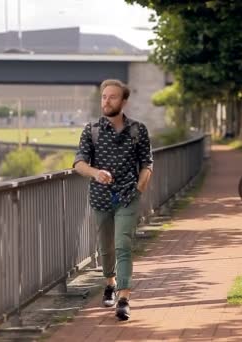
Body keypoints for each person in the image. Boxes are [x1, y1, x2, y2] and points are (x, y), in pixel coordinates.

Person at [73, 79, 153, 321]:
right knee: (106, 248)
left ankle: (124, 298)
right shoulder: (92, 130)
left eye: (113, 97)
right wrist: (95, 173)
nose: (106, 101)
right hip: (100, 198)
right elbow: (79, 163)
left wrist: (139, 189)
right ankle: (109, 281)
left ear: (124, 101)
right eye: (104, 97)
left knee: (123, 245)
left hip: (128, 197)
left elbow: (147, 163)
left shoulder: (137, 130)